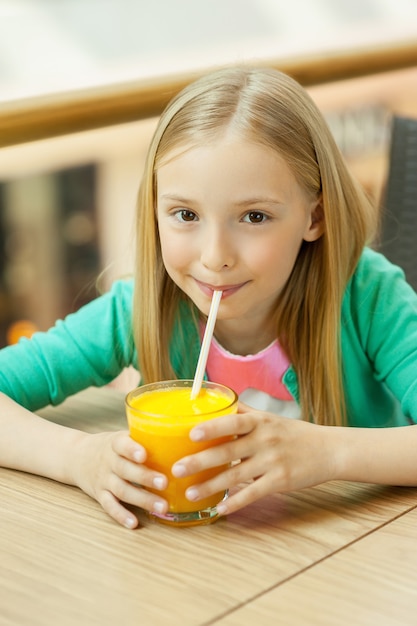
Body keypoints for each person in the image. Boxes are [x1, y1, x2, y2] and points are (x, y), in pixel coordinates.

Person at [1, 66, 417, 530]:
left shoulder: (368, 297)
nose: (215, 256)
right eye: (185, 214)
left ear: (314, 218)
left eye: (255, 217)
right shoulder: (141, 308)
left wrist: (328, 452)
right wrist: (77, 458)